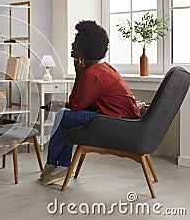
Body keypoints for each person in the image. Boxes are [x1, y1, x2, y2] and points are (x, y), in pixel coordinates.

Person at [39, 20, 141, 185]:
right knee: (65, 116)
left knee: (63, 116)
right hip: (118, 118)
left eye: (76, 41)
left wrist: (78, 74)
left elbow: (75, 105)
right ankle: (60, 165)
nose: (72, 44)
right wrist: (62, 104)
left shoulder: (91, 74)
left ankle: (54, 163)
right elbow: (82, 105)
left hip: (117, 123)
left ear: (85, 47)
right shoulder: (103, 68)